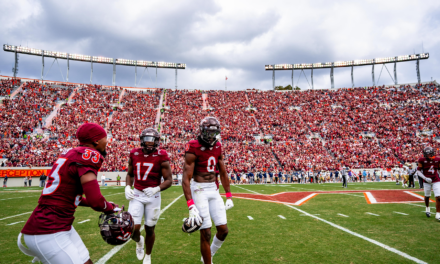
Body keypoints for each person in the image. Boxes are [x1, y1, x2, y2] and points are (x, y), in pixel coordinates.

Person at [17, 123, 118, 264]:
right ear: (96, 141)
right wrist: (109, 208)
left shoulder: (72, 153)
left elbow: (72, 196)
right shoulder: (89, 155)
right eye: (105, 138)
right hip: (48, 230)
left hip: (59, 225)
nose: (107, 142)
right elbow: (96, 201)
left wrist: (107, 205)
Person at [182, 117, 234, 264]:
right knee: (205, 232)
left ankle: (208, 254)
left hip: (213, 189)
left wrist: (229, 195)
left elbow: (223, 172)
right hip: (199, 188)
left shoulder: (218, 146)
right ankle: (208, 262)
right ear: (202, 131)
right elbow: (186, 178)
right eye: (209, 133)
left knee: (223, 230)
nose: (212, 136)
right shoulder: (193, 146)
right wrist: (190, 205)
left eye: (214, 133)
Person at [124, 128, 173, 264]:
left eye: (153, 140)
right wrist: (128, 186)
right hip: (138, 194)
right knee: (133, 228)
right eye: (147, 140)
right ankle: (139, 242)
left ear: (157, 141)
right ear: (142, 140)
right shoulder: (134, 153)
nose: (150, 143)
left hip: (153, 196)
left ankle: (148, 255)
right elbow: (130, 174)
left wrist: (157, 188)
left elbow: (169, 180)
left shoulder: (161, 155)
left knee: (150, 228)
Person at [416, 147, 440, 221]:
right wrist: (425, 178)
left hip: (436, 180)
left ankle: (438, 214)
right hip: (426, 181)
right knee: (427, 196)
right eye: (426, 154)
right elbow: (418, 171)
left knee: (438, 197)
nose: (428, 155)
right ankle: (427, 208)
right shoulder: (422, 160)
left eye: (429, 154)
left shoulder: (438, 160)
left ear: (432, 153)